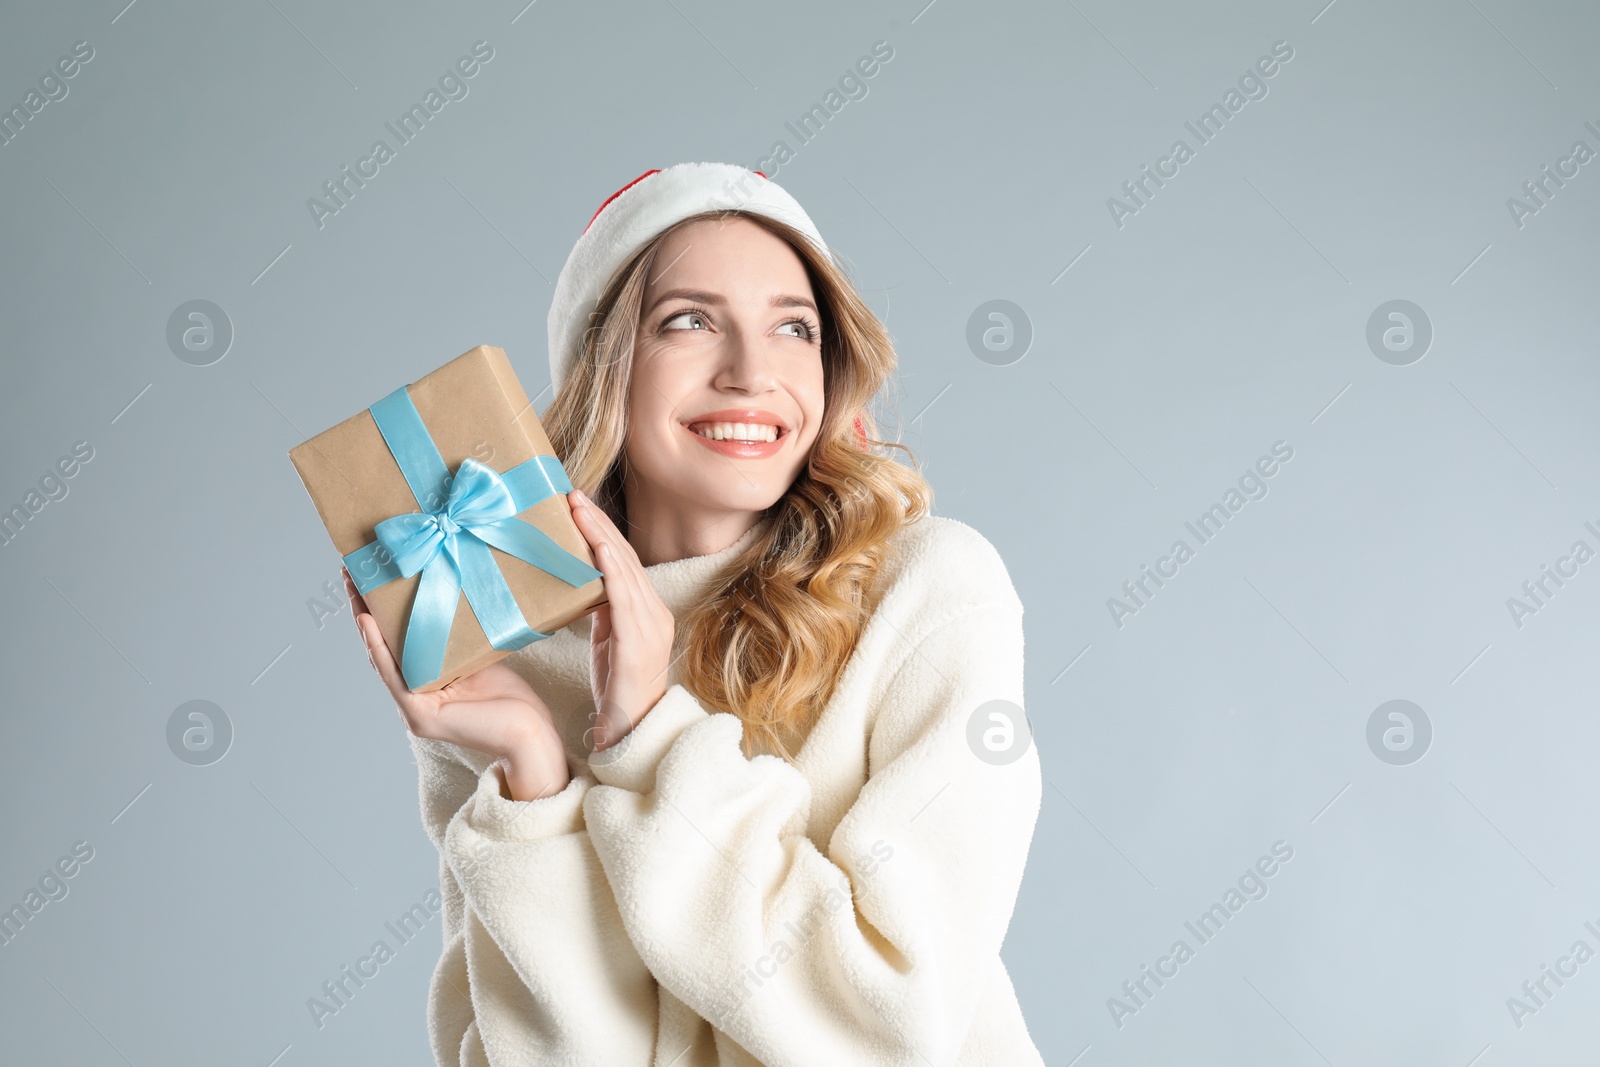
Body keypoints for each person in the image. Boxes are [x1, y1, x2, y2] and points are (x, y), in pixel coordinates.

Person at [345, 161, 1045, 1066]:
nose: (753, 372)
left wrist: (650, 733)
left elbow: (890, 1026)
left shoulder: (929, 591)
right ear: (606, 366)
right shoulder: (499, 647)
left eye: (794, 328)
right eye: (690, 320)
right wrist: (532, 783)